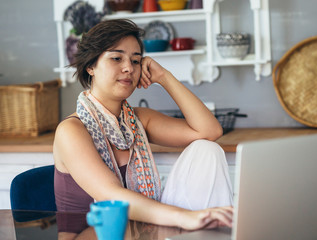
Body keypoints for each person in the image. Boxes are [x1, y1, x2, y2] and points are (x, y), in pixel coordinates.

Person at [53, 19, 233, 239]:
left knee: (207, 150)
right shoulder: (71, 130)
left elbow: (209, 131)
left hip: (137, 231)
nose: (129, 68)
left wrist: (164, 77)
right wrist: (185, 217)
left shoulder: (138, 120)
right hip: (95, 234)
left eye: (136, 61)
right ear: (91, 66)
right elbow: (112, 198)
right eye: (117, 58)